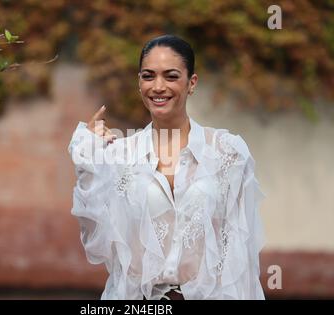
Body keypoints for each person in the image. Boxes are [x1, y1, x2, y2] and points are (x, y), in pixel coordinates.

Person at [68, 34, 265, 300]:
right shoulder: (118, 155)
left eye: (171, 76)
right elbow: (97, 243)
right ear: (139, 83)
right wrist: (89, 159)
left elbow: (240, 251)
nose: (158, 86)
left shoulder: (227, 152)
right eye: (148, 76)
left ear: (191, 83)